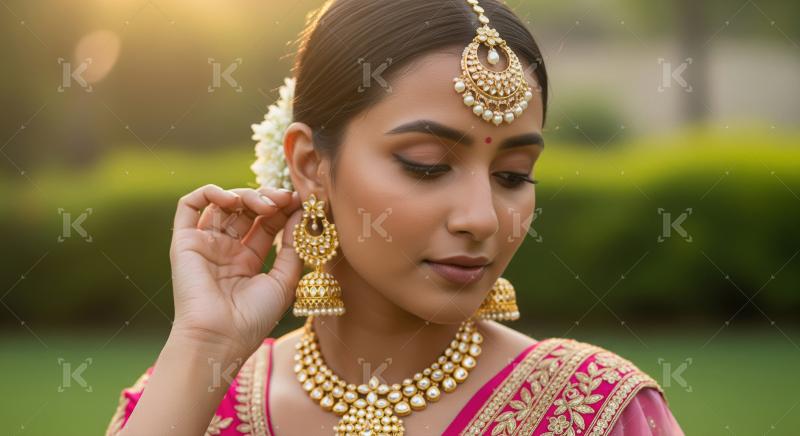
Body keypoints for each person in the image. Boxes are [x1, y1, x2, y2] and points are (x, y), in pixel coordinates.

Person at [105, 0, 685, 434]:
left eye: (512, 175)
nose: (482, 218)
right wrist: (205, 347)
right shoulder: (189, 404)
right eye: (427, 165)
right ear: (310, 165)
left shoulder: (598, 412)